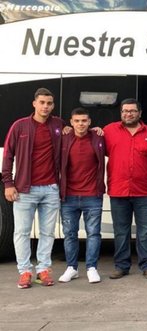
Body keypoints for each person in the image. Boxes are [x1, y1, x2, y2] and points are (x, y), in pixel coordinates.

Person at [2, 87, 63, 289]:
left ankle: (43, 270)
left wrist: (96, 130)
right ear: (34, 103)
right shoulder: (20, 126)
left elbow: (77, 133)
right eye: (42, 102)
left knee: (47, 232)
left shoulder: (58, 125)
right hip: (24, 190)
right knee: (21, 232)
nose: (45, 106)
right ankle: (25, 272)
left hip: (51, 189)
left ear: (53, 105)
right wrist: (8, 183)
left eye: (49, 103)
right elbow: (8, 155)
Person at [104, 98, 147, 280]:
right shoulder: (108, 131)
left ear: (140, 113)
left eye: (132, 111)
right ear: (121, 113)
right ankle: (121, 266)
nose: (128, 114)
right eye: (125, 111)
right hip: (118, 189)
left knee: (145, 231)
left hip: (143, 191)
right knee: (121, 231)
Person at [58, 107, 105, 284]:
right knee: (70, 234)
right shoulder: (64, 138)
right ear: (71, 122)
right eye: (77, 121)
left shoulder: (98, 137)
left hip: (92, 195)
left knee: (93, 233)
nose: (80, 124)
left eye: (84, 121)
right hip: (68, 196)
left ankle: (91, 268)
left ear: (90, 122)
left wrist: (100, 130)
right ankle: (72, 268)